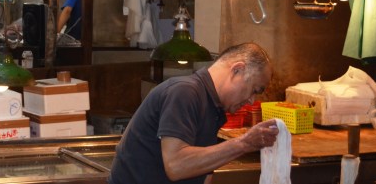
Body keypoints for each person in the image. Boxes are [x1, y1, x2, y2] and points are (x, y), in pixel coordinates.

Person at [109, 42, 280, 184]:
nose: (252, 100)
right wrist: (245, 143)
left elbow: (204, 174)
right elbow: (176, 166)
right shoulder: (184, 92)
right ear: (237, 70)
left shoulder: (215, 108)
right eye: (254, 90)